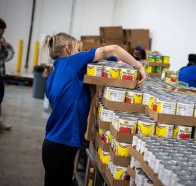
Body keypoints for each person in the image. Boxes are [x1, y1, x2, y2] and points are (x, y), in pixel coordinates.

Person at [42, 32, 146, 186]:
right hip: (61, 148)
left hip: (54, 145)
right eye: (77, 49)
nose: (80, 53)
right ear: (68, 48)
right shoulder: (72, 62)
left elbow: (75, 100)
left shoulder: (53, 76)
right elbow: (113, 49)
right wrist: (139, 66)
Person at [0, 18, 13, 130]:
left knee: (0, 98)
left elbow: (5, 57)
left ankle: (0, 121)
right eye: (2, 29)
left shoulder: (2, 40)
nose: (3, 31)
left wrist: (3, 47)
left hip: (0, 74)